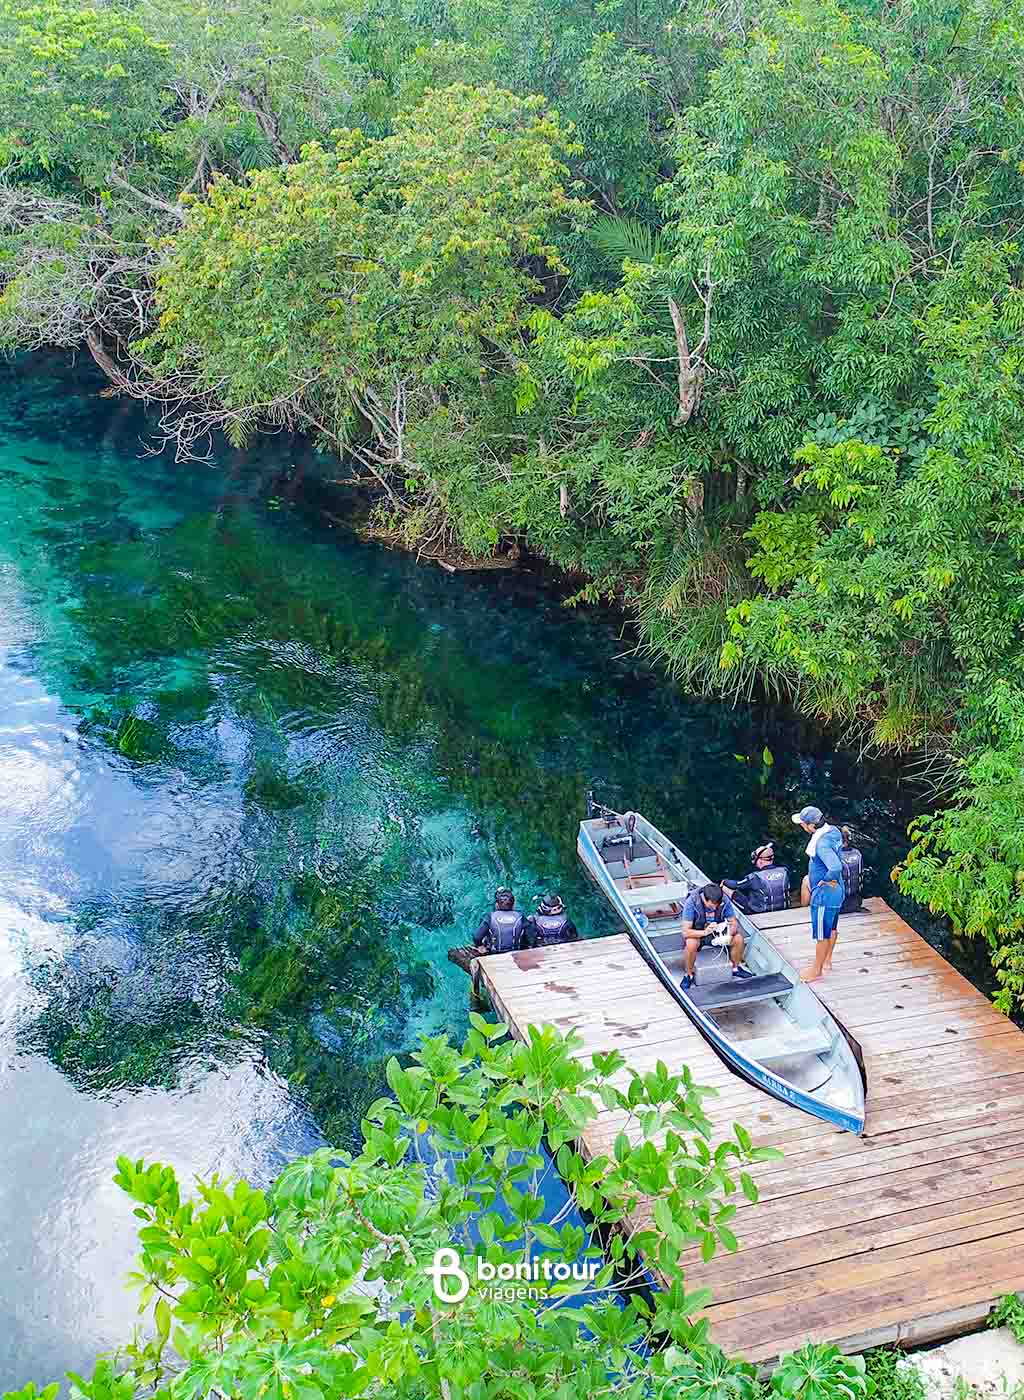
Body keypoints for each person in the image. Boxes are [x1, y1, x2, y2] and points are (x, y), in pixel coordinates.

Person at [792, 805, 845, 982]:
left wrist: (825, 880)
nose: (802, 826)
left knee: (821, 934)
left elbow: (835, 867)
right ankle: (826, 960)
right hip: (838, 891)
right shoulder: (833, 831)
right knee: (832, 928)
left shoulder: (821, 844)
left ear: (811, 826)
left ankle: (816, 970)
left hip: (825, 895)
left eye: (803, 824)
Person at [679, 882, 753, 991]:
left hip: (718, 932)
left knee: (738, 939)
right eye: (712, 904)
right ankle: (688, 975)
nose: (714, 907)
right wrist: (705, 932)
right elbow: (686, 932)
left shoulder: (724, 900)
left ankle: (735, 968)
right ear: (705, 899)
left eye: (717, 905)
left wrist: (728, 935)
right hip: (698, 933)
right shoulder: (692, 902)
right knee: (691, 944)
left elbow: (733, 922)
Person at [722, 843, 791, 915]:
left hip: (759, 913)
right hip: (783, 910)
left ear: (760, 860)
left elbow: (736, 885)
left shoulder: (755, 877)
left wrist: (724, 881)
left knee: (726, 888)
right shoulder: (784, 871)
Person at [473, 888, 527, 955]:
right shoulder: (520, 916)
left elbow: (476, 937)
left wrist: (480, 946)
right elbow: (530, 935)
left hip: (495, 953)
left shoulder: (490, 916)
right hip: (515, 951)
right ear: (513, 905)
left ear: (497, 905)